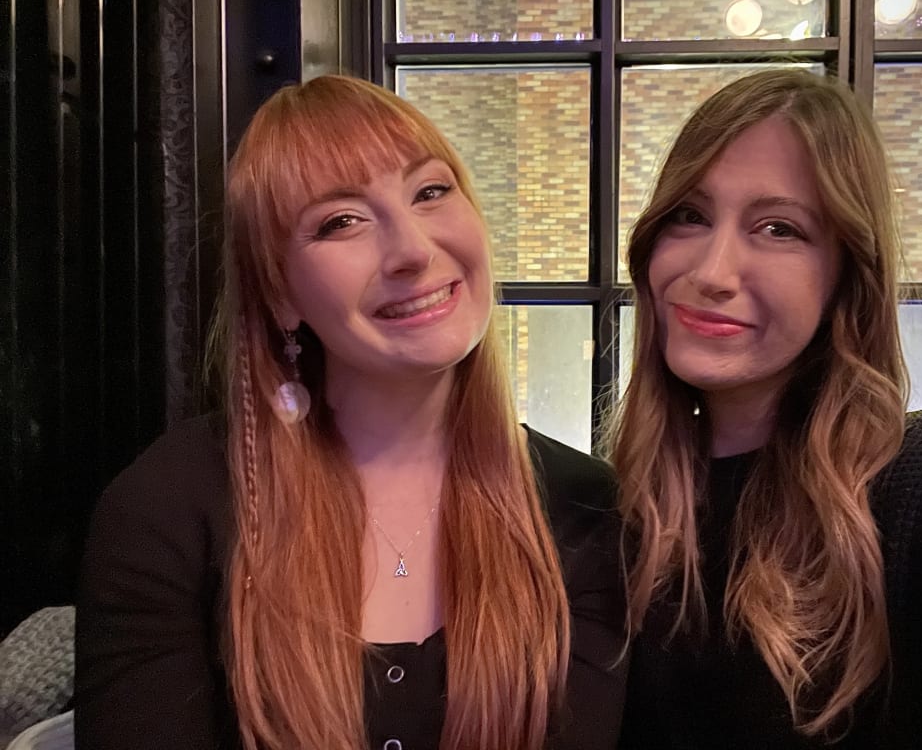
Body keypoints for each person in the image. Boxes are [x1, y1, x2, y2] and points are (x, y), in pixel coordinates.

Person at [75, 75, 627, 750]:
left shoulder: (587, 509)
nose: (413, 250)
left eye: (430, 191)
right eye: (341, 222)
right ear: (280, 292)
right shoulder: (168, 505)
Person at [610, 68, 922, 748]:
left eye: (778, 229)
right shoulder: (611, 509)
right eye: (690, 216)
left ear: (846, 277)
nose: (710, 273)